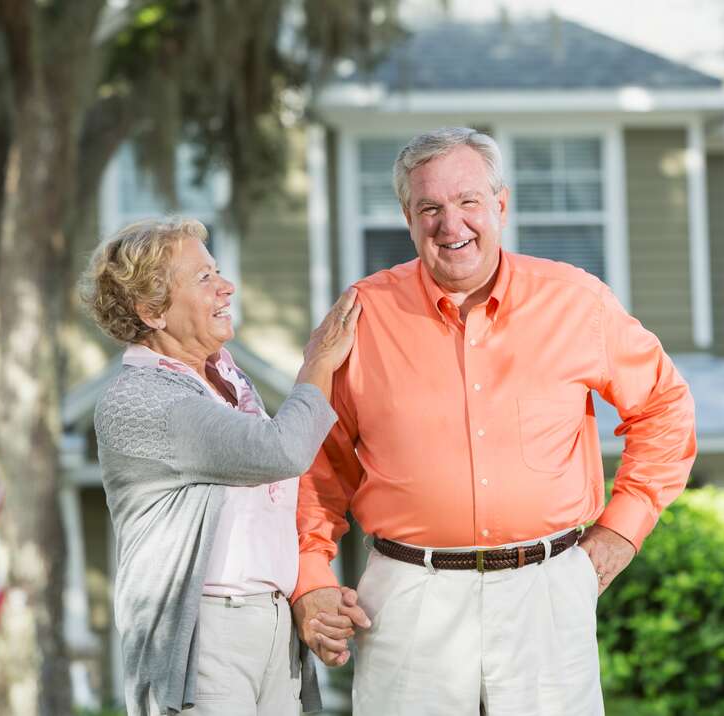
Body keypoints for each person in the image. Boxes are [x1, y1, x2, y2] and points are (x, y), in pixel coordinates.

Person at [291, 127, 698, 715]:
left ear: (500, 206)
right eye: (430, 208)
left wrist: (619, 533)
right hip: (409, 598)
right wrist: (313, 578)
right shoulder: (362, 316)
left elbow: (664, 406)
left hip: (548, 590)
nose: (450, 225)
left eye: (468, 202)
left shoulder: (575, 301)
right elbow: (314, 461)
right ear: (408, 218)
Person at [83, 217, 366, 716]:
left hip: (274, 627)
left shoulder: (227, 380)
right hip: (206, 633)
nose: (226, 286)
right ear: (152, 311)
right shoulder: (142, 400)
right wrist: (318, 365)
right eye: (203, 278)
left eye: (217, 271)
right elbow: (280, 452)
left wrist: (307, 589)